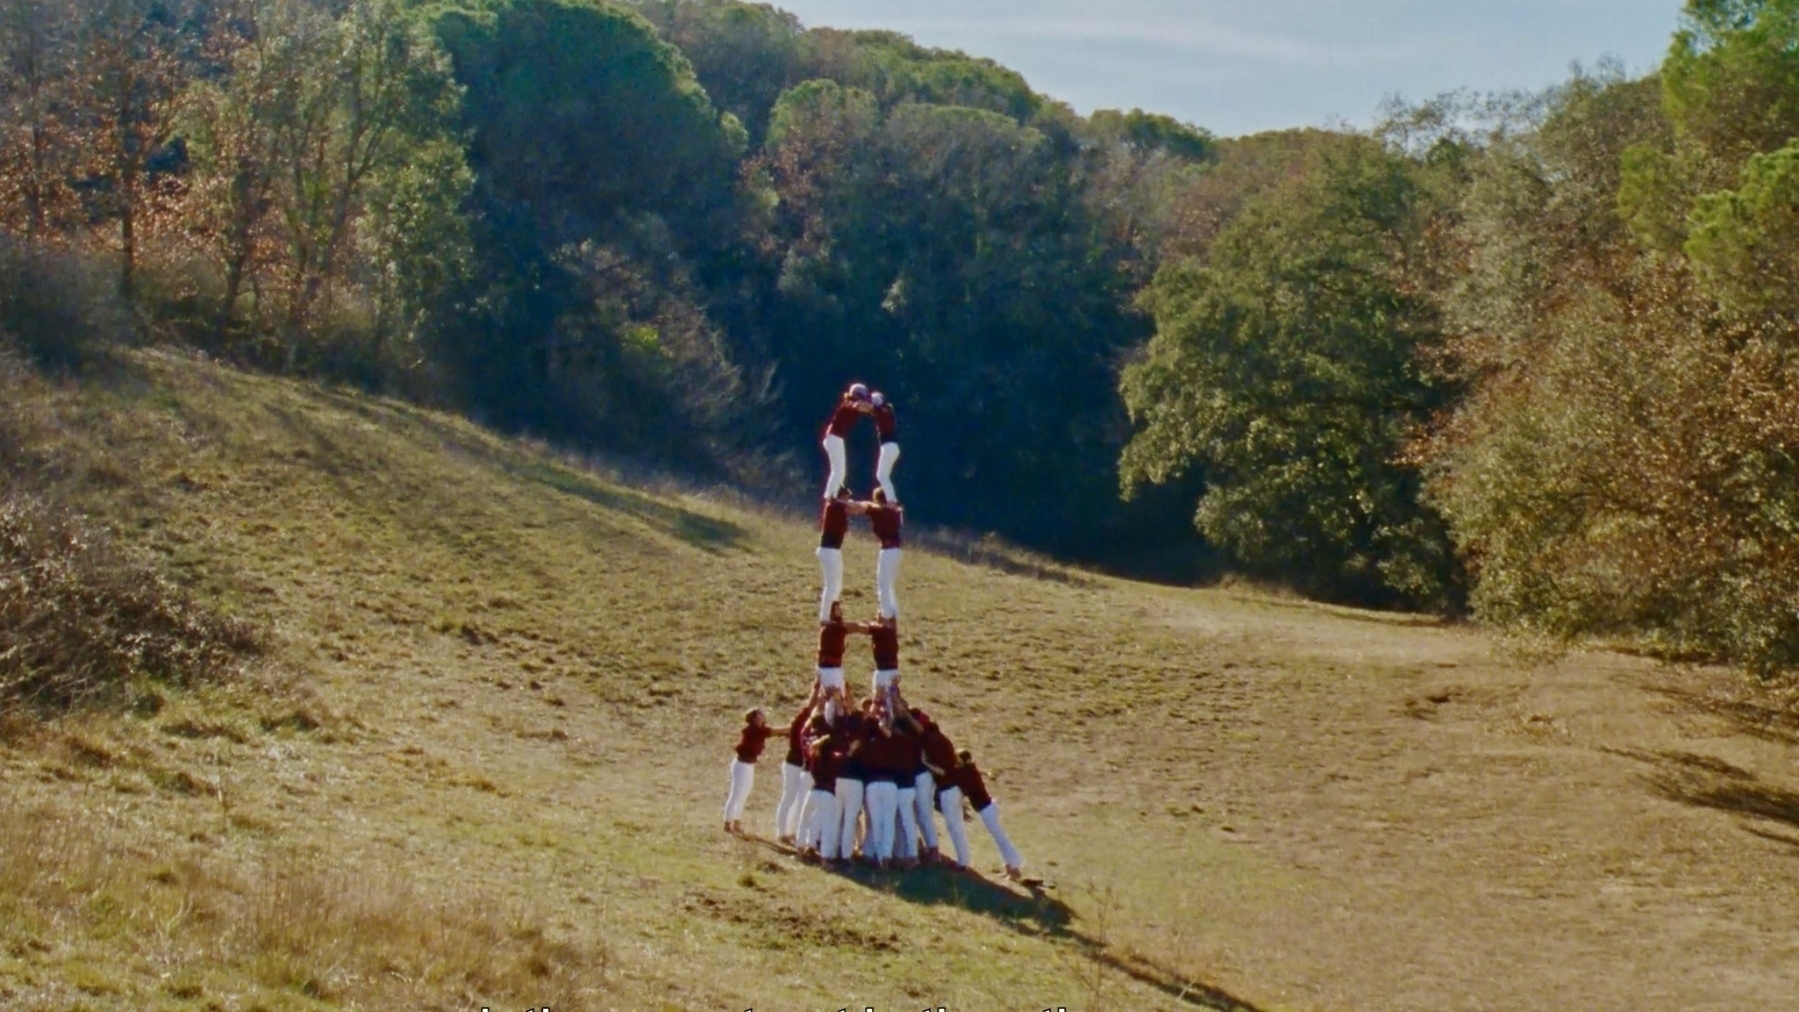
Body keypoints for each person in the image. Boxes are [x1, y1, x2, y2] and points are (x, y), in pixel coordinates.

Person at [951, 747, 1023, 880]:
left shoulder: (967, 773)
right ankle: (1010, 868)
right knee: (998, 838)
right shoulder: (970, 770)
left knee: (1000, 838)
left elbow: (961, 786)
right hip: (988, 807)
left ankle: (1015, 867)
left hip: (986, 809)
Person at [797, 697, 845, 861]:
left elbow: (806, 731)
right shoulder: (834, 758)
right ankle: (825, 857)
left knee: (804, 821)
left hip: (813, 790)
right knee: (828, 825)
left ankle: (800, 849)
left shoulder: (814, 757)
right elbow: (843, 757)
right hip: (828, 793)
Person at [775, 684, 821, 844]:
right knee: (789, 796)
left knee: (795, 798)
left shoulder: (809, 723)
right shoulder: (802, 720)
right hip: (793, 763)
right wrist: (816, 691)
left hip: (798, 763)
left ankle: (791, 830)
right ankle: (782, 831)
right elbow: (811, 704)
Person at [723, 709, 776, 834]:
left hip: (749, 765)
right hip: (741, 765)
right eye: (760, 714)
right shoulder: (753, 730)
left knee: (744, 792)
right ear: (755, 717)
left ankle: (736, 821)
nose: (763, 715)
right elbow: (774, 732)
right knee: (736, 793)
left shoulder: (758, 730)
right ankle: (727, 822)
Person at [817, 487, 866, 624]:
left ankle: (833, 612)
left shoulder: (840, 509)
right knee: (831, 584)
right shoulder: (833, 507)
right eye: (844, 497)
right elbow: (842, 504)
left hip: (835, 550)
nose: (847, 500)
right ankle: (824, 617)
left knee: (837, 584)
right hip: (828, 550)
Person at [821, 384, 871, 498]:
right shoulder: (848, 404)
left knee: (840, 472)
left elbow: (863, 408)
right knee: (838, 471)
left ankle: (835, 494)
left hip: (835, 439)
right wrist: (872, 406)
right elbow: (857, 406)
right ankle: (830, 496)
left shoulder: (850, 403)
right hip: (834, 438)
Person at [862, 488, 904, 621]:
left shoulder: (879, 512)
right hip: (896, 550)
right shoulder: (895, 512)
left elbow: (864, 507)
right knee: (889, 584)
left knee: (883, 585)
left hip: (887, 550)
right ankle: (894, 614)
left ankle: (886, 615)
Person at [817, 601, 872, 694]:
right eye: (836, 610)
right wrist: (872, 629)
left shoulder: (834, 627)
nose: (839, 611)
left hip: (834, 668)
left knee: (837, 695)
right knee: (833, 697)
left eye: (839, 609)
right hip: (829, 669)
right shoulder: (834, 628)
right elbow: (855, 627)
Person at [870, 391, 900, 502]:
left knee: (882, 476)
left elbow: (869, 409)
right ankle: (891, 499)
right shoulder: (887, 410)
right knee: (883, 476)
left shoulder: (880, 411)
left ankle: (891, 501)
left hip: (888, 447)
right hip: (893, 447)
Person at [869, 614, 901, 699]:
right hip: (882, 671)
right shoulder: (878, 632)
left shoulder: (891, 633)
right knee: (881, 698)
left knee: (891, 697)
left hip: (890, 671)